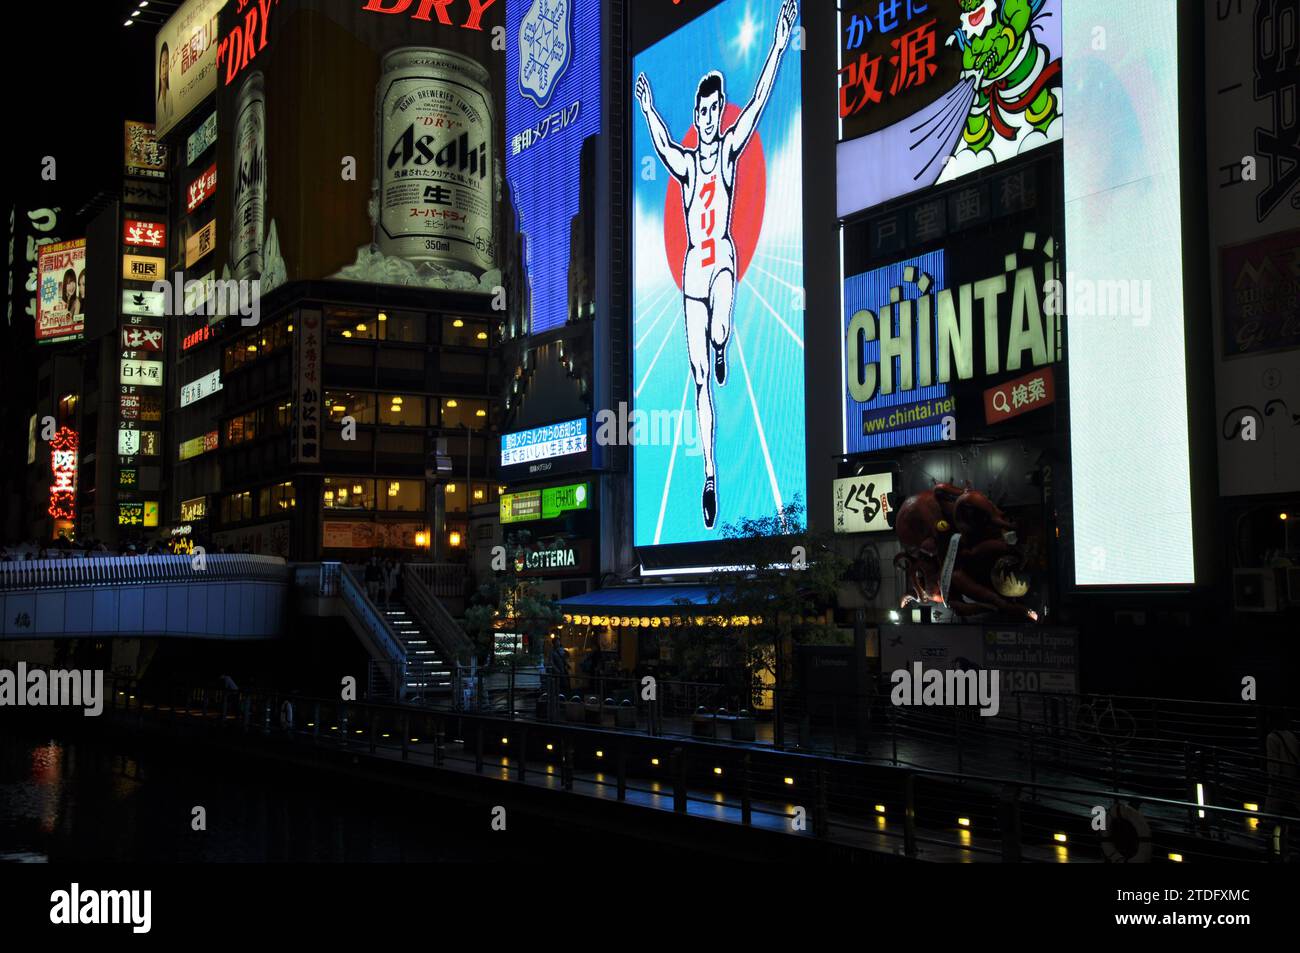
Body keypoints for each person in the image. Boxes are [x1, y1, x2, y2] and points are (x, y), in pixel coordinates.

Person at [634, 0, 798, 529]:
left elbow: (759, 100)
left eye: (712, 111)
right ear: (695, 115)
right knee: (700, 380)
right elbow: (660, 142)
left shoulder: (727, 152)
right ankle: (709, 473)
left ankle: (723, 342)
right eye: (700, 113)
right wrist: (648, 109)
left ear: (719, 109)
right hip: (691, 277)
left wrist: (776, 46)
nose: (706, 120)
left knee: (720, 330)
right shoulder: (685, 164)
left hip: (722, 262)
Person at [1264, 708, 1300, 858]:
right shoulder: (1292, 736)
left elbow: (1274, 765)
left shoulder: (1272, 737)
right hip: (1294, 783)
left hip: (1281, 784)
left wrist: (1273, 780)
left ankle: (1276, 850)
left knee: (1275, 819)